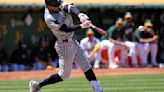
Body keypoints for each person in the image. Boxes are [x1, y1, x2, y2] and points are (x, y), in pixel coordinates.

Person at [29, 0, 103, 92]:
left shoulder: (58, 3)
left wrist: (80, 14)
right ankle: (38, 85)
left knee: (86, 66)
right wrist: (81, 26)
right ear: (49, 6)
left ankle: (98, 89)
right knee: (64, 75)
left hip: (73, 41)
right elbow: (65, 29)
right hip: (64, 45)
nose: (58, 6)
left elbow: (70, 7)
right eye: (55, 5)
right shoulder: (49, 17)